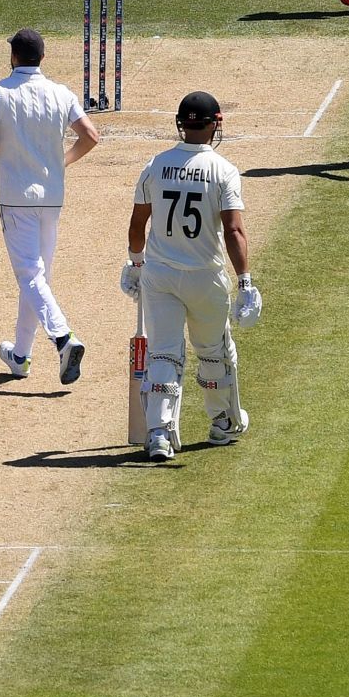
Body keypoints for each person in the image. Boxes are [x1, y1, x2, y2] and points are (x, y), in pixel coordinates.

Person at [121, 92, 262, 463]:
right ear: (215, 123)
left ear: (181, 124)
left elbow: (139, 223)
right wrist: (246, 281)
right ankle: (222, 423)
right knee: (214, 352)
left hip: (160, 276)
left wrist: (135, 264)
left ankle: (158, 434)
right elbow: (233, 231)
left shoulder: (155, 165)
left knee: (163, 353)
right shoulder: (223, 170)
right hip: (205, 277)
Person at [0, 29, 99, 385]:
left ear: (13, 57)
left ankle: (63, 339)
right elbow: (90, 136)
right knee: (37, 276)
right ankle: (20, 356)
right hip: (51, 196)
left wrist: (0, 159)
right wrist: (62, 163)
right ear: (43, 58)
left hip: (15, 195)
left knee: (30, 274)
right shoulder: (62, 92)